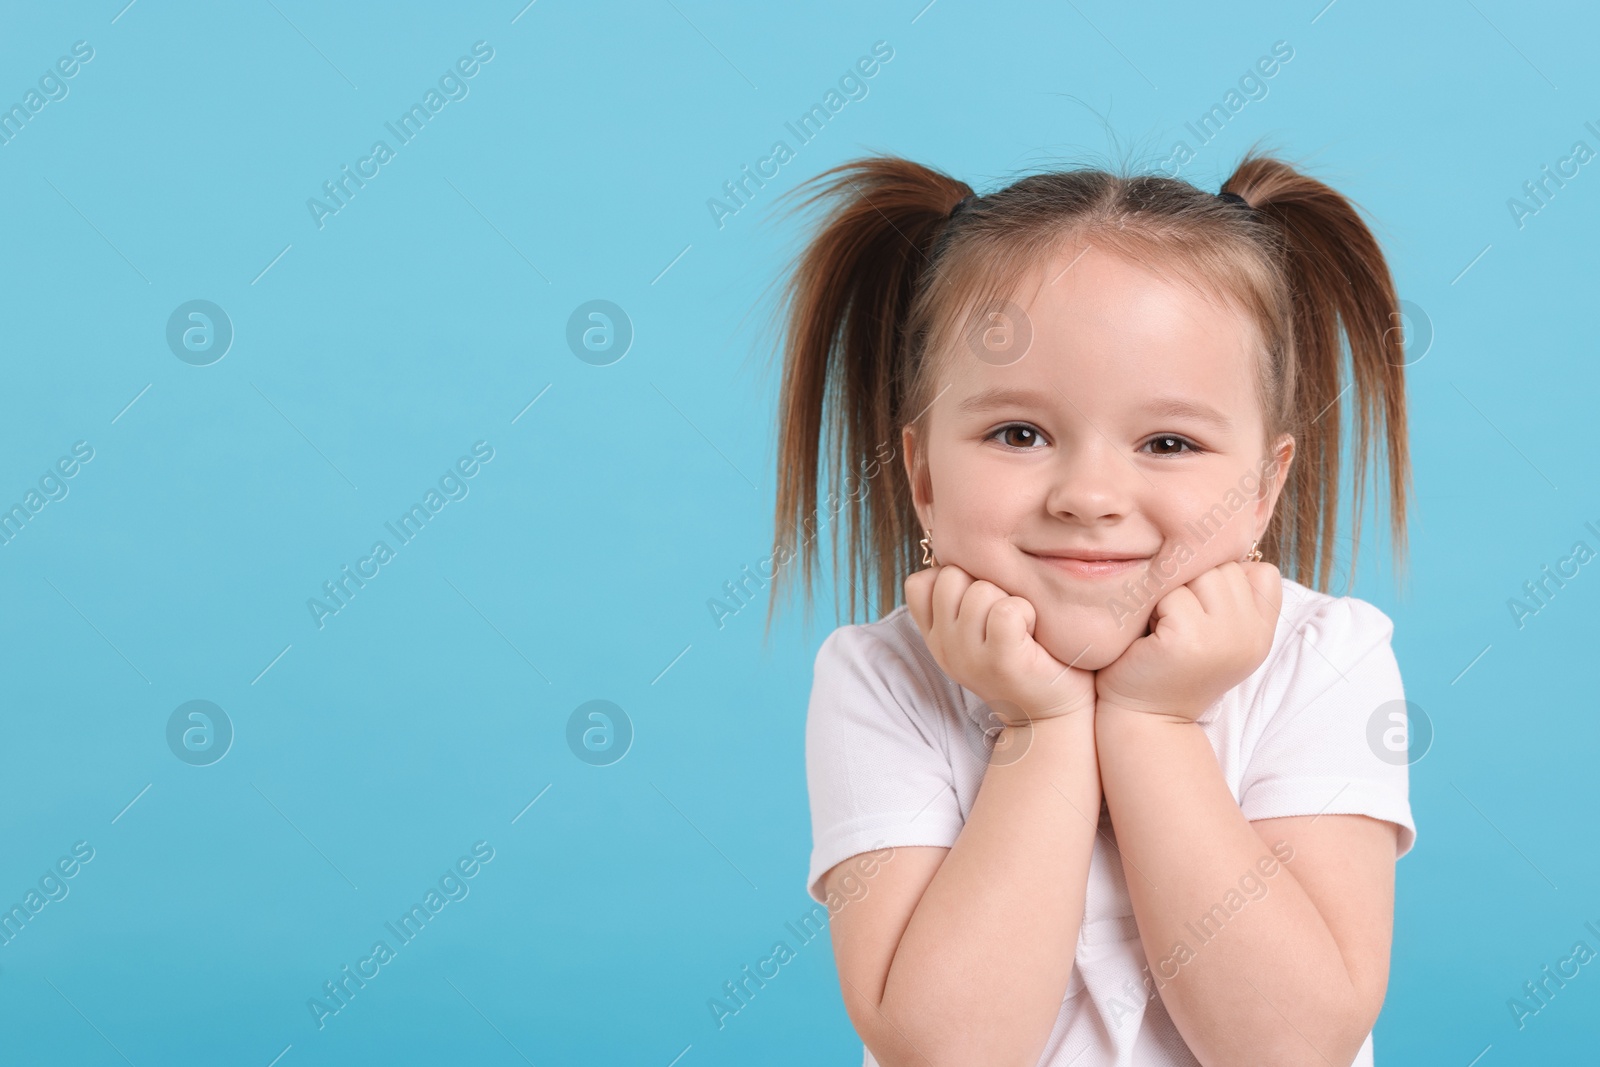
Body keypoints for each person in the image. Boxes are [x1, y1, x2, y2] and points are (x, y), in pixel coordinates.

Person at [764, 149, 1417, 1066]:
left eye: (1167, 440)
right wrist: (1045, 723)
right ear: (921, 474)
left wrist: (1153, 724)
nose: (1089, 493)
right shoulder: (883, 678)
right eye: (1019, 433)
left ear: (1265, 487)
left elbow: (1293, 1044)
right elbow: (948, 1049)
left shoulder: (1327, 659)